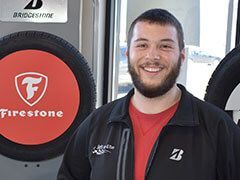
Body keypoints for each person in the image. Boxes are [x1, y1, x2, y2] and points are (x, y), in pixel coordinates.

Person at [57, 8, 240, 180]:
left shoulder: (218, 129)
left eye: (165, 46)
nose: (152, 56)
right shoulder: (97, 124)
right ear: (128, 54)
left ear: (181, 56)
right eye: (142, 45)